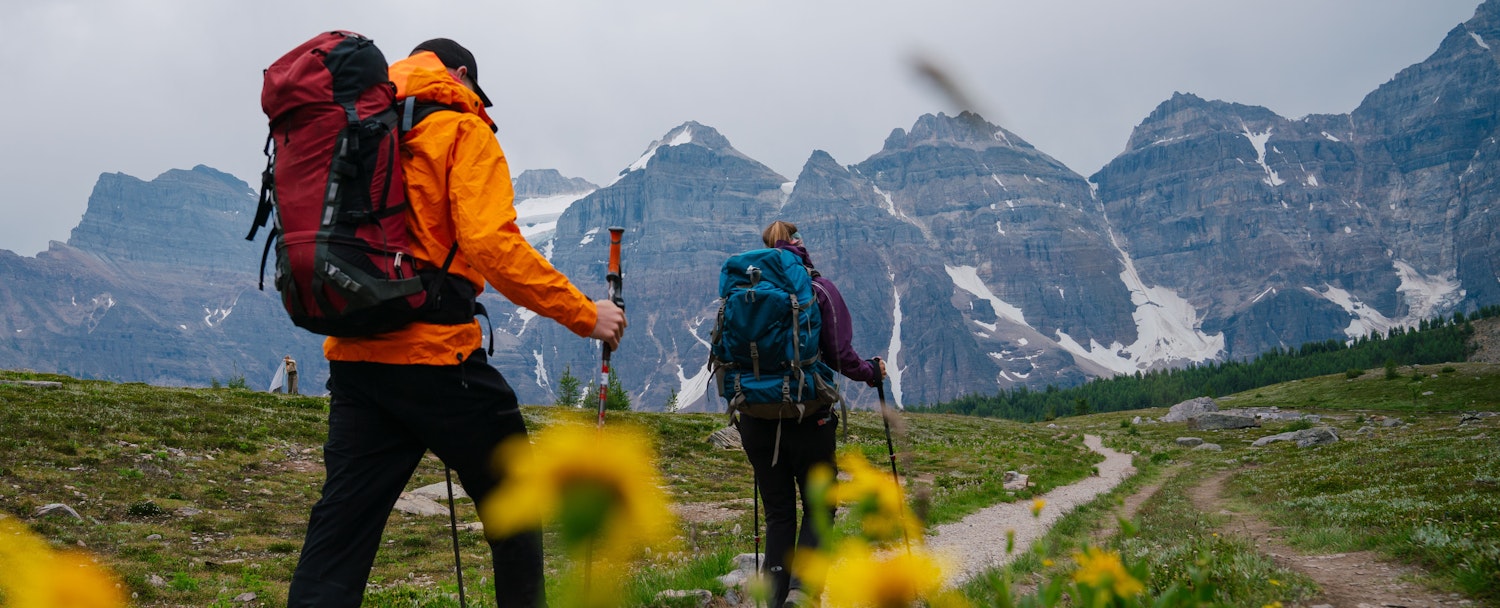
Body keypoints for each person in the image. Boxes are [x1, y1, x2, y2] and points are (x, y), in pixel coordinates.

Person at [286, 38, 627, 608]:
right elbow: (493, 245)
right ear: (462, 75)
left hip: (355, 356)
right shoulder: (463, 130)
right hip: (437, 357)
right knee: (514, 496)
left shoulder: (357, 125)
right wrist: (586, 314)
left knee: (340, 531)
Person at [738, 220, 885, 608]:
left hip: (755, 418)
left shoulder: (744, 288)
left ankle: (773, 598)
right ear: (797, 243)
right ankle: (803, 593)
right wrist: (872, 373)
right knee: (820, 507)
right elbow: (841, 355)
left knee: (779, 513)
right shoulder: (817, 288)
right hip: (809, 418)